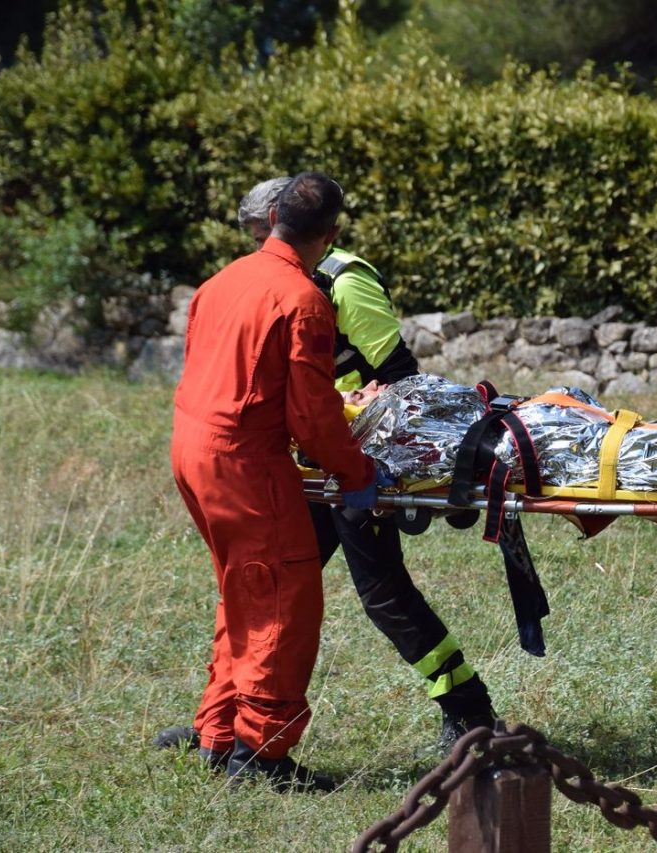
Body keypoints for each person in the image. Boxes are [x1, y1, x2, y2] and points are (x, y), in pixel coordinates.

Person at [157, 176, 496, 761]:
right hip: (290, 463)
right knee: (261, 591)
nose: (261, 242)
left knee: (379, 592)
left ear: (282, 220)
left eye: (262, 231)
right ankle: (230, 724)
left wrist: (363, 465)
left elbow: (398, 374)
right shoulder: (268, 280)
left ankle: (468, 710)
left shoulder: (342, 281)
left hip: (348, 460)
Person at [168, 171, 387, 791]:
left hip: (191, 450)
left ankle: (217, 733)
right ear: (333, 233)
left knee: (243, 589)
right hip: (245, 463)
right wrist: (356, 470)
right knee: (283, 603)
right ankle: (260, 755)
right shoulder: (303, 300)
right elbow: (311, 416)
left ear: (273, 220)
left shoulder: (220, 282)